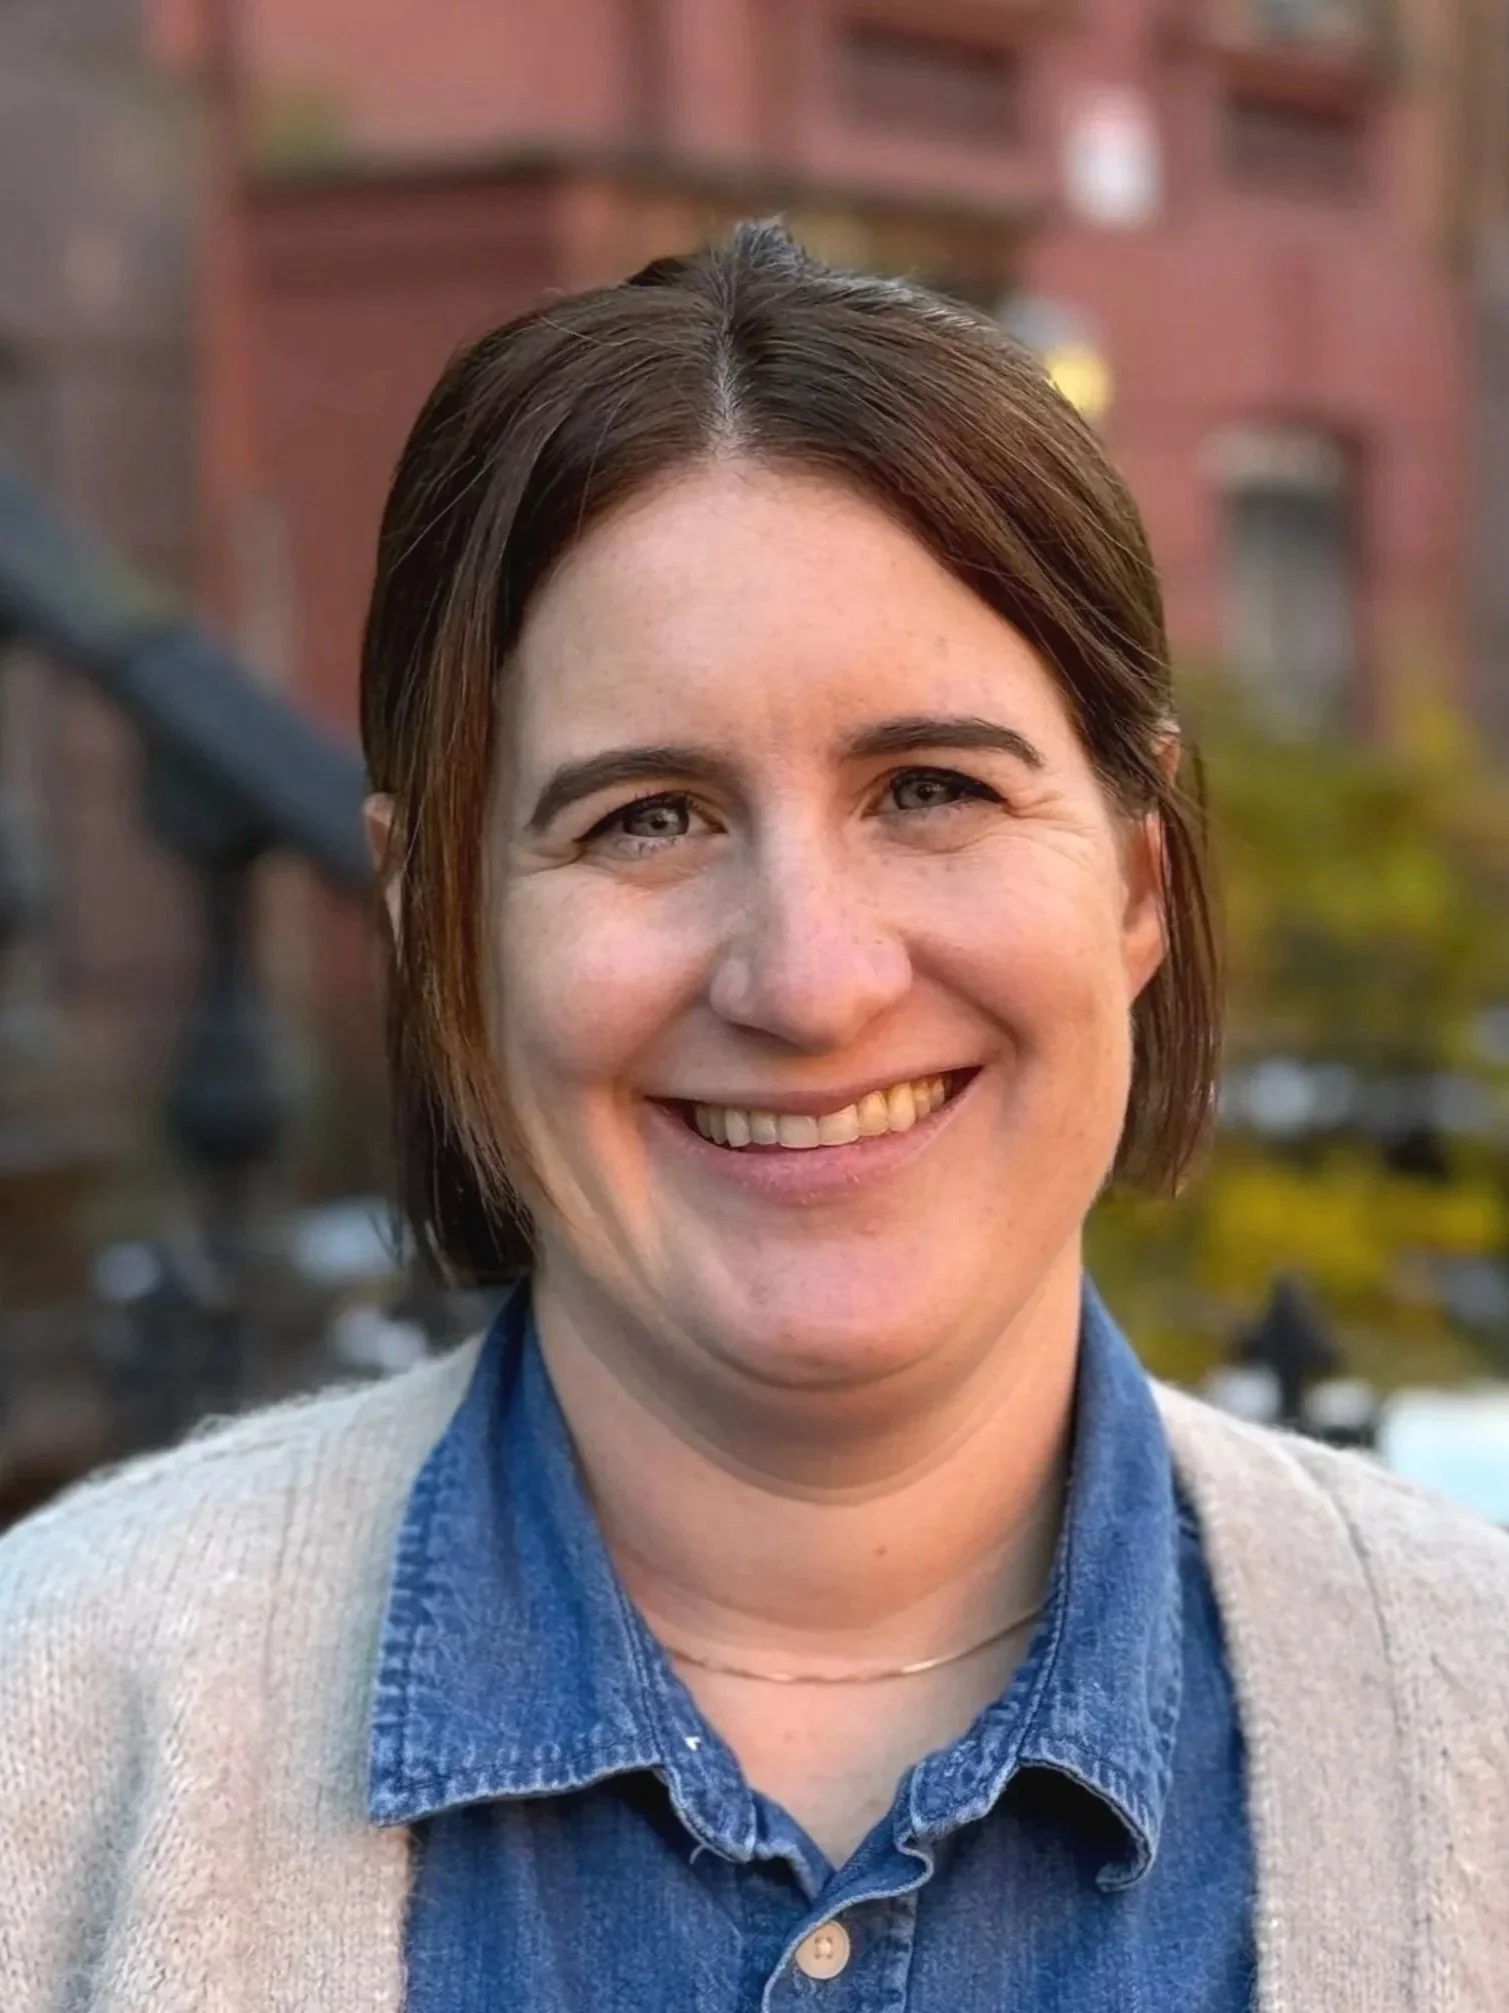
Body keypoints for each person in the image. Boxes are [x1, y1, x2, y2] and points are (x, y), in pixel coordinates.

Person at [2, 223, 1506, 2013]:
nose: (805, 979)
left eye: (930, 789)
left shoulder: (1470, 1720)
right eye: (647, 816)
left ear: (1136, 883)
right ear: (434, 922)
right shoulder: (57, 1733)